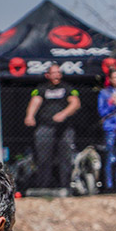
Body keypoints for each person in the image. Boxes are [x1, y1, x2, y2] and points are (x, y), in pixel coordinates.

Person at [24, 65, 80, 193]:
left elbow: (75, 103)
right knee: (43, 157)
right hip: (46, 126)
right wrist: (30, 116)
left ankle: (65, 186)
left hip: (64, 128)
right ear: (47, 75)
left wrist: (63, 114)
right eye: (53, 73)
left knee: (65, 157)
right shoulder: (41, 89)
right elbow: (35, 101)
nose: (56, 75)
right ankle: (43, 186)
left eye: (58, 72)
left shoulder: (67, 88)